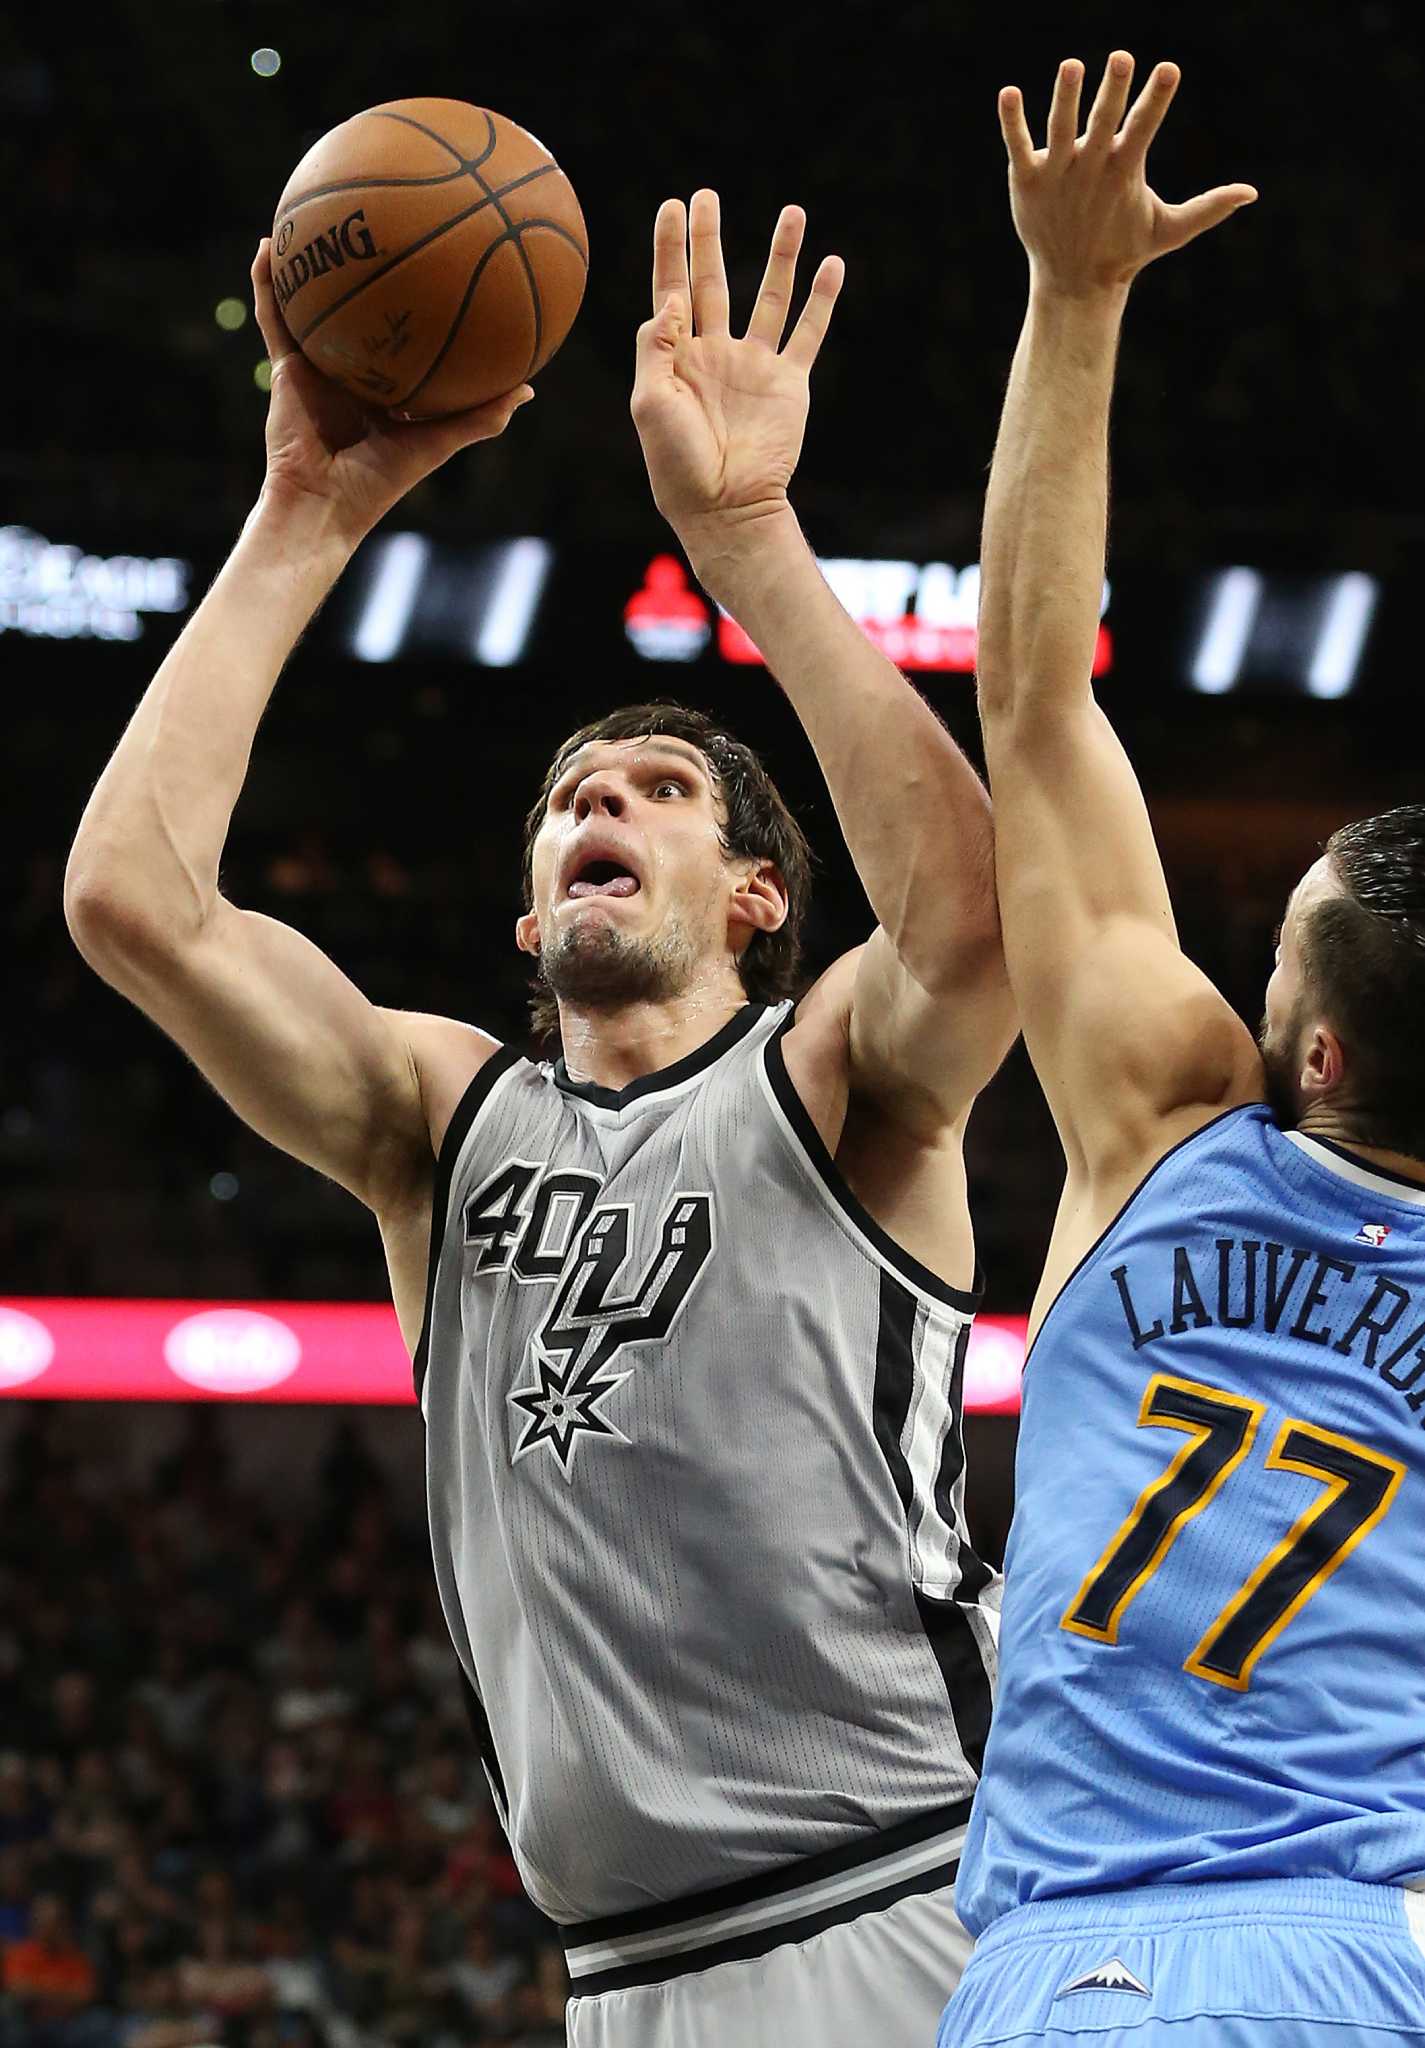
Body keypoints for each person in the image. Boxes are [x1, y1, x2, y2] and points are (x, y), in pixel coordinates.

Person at [65, 191, 1016, 2047]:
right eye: (575, 793)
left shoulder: (832, 1078)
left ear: (756, 899)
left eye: (663, 788)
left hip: (914, 1889)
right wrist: (305, 513)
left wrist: (747, 539)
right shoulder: (440, 1119)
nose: (604, 797)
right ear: (528, 912)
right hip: (621, 1973)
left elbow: (976, 926)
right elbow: (134, 906)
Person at [940, 49, 1425, 2048]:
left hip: (1099, 1958)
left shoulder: (1159, 1112)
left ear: (1299, 1052)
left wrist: (1072, 300)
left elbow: (1035, 703)